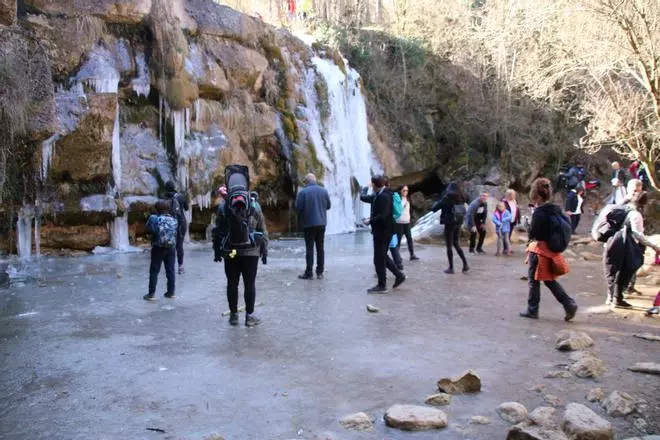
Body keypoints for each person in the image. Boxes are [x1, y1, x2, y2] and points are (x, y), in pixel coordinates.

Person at [212, 167, 269, 327]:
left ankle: (234, 316)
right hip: (251, 251)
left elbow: (218, 231)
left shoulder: (224, 206)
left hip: (231, 252)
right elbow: (262, 229)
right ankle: (250, 316)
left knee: (232, 283)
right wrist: (264, 251)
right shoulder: (254, 205)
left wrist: (217, 251)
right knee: (249, 283)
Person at [520, 178, 578, 321]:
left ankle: (533, 310)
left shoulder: (539, 212)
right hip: (551, 251)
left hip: (539, 250)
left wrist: (528, 224)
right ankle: (568, 304)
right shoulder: (555, 209)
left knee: (534, 280)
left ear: (537, 196)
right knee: (549, 280)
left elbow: (535, 234)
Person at [604, 191, 660, 308]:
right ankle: (617, 299)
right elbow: (637, 234)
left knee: (613, 271)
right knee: (625, 271)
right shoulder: (636, 215)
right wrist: (653, 246)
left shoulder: (624, 207)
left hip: (612, 241)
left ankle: (610, 297)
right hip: (625, 245)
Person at [361, 175, 406, 293]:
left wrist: (369, 220)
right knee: (381, 257)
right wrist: (365, 187)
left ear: (375, 185)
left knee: (379, 259)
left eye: (372, 185)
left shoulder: (385, 196)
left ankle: (382, 285)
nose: (372, 187)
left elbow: (383, 215)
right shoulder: (379, 194)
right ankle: (399, 276)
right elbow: (363, 197)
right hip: (381, 231)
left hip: (384, 232)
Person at [295, 173, 331, 280]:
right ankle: (320, 272)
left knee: (309, 249)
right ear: (315, 181)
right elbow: (328, 206)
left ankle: (309, 273)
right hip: (321, 224)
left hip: (309, 224)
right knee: (320, 248)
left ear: (306, 182)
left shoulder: (303, 192)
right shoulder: (324, 191)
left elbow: (298, 208)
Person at [143, 200, 178, 301]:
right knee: (170, 270)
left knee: (154, 270)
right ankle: (171, 292)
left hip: (158, 247)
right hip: (171, 247)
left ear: (157, 209)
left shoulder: (154, 218)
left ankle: (151, 294)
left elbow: (148, 229)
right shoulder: (173, 219)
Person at [432, 182, 469, 274]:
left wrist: (438, 201)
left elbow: (434, 208)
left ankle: (451, 267)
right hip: (458, 222)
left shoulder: (448, 197)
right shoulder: (462, 197)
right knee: (456, 243)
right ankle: (465, 263)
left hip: (449, 223)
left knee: (449, 245)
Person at [164, 181, 189, 274]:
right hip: (181, 223)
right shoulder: (180, 197)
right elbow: (186, 208)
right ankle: (180, 266)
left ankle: (170, 266)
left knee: (169, 245)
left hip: (169, 223)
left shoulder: (164, 197)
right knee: (179, 245)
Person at [394, 185, 419, 261]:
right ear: (400, 191)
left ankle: (412, 255)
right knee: (398, 240)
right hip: (399, 222)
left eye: (407, 190)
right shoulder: (398, 199)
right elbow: (397, 209)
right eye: (404, 190)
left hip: (407, 222)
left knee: (409, 239)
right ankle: (397, 256)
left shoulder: (407, 199)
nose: (406, 192)